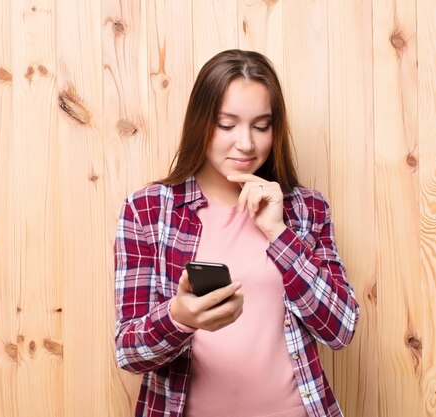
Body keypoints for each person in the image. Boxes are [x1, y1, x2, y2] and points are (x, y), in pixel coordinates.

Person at [114, 49, 359, 417]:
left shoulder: (306, 209)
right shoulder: (149, 210)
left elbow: (340, 329)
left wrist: (279, 233)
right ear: (200, 122)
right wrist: (179, 317)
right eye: (227, 125)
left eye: (261, 126)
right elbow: (129, 352)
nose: (246, 143)